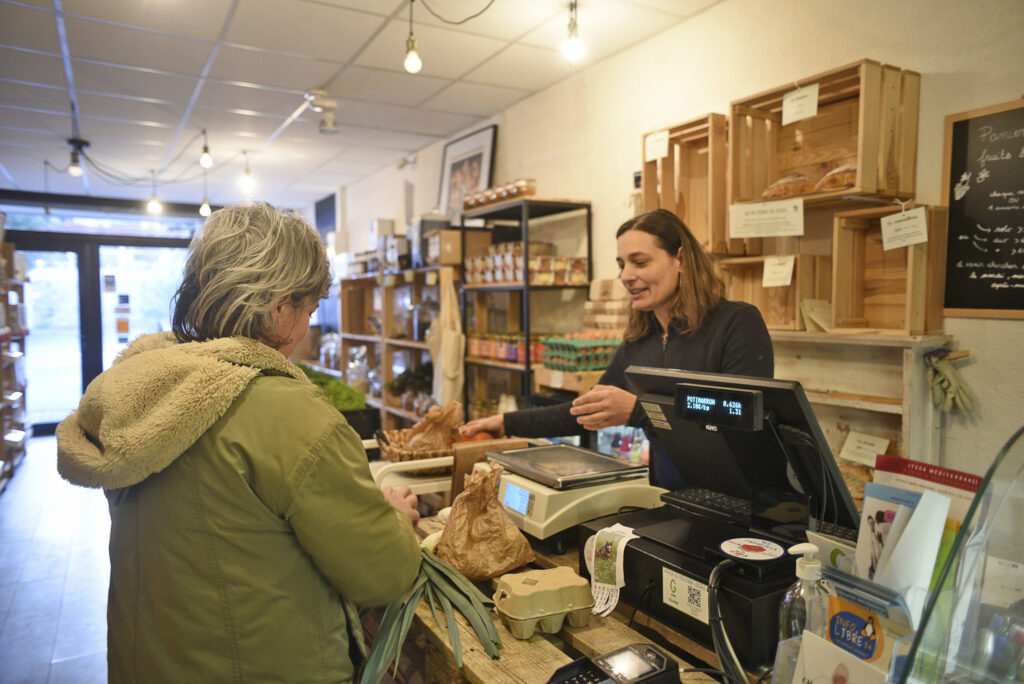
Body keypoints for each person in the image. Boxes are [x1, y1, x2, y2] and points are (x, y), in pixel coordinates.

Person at [56, 201, 421, 683]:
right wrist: (393, 516)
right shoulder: (292, 415)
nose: (307, 327)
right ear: (278, 309)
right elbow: (381, 573)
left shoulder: (140, 392)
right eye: (308, 309)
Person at [462, 208, 774, 488]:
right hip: (671, 496)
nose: (626, 276)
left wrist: (638, 410)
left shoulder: (737, 323)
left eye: (640, 262)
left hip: (745, 503)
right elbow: (584, 410)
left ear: (680, 259)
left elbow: (739, 418)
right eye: (622, 264)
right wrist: (506, 423)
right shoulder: (639, 341)